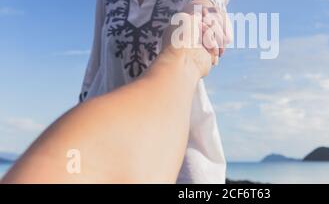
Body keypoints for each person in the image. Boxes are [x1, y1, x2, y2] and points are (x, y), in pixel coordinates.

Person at [78, 0, 232, 184]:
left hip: (178, 144)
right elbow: (95, 62)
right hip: (108, 137)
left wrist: (201, 10)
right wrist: (79, 123)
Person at [1, 13, 221, 183]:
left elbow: (205, 1)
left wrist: (186, 54)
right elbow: (95, 60)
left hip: (181, 141)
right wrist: (183, 58)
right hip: (107, 115)